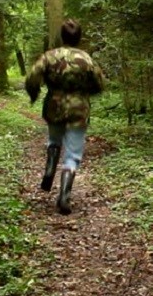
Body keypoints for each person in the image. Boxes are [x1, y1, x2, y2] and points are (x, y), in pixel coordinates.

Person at [25, 19, 104, 214]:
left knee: (54, 139)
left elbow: (32, 77)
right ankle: (64, 196)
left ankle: (50, 169)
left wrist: (34, 94)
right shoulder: (86, 59)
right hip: (78, 109)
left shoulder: (49, 56)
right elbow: (100, 84)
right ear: (79, 37)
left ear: (62, 36)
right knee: (73, 155)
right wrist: (85, 93)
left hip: (54, 105)